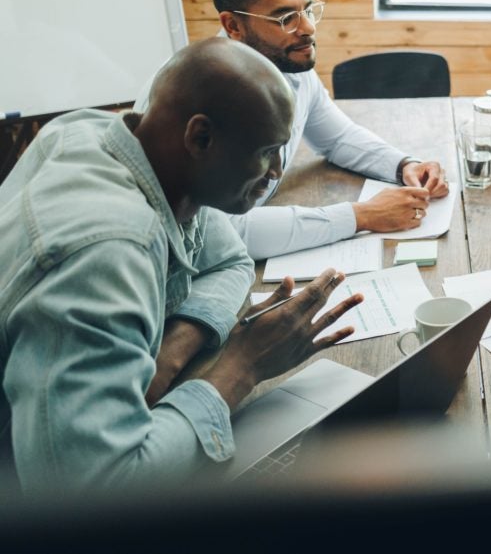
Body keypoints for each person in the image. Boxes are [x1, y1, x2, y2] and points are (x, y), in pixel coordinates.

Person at [0, 38, 363, 492]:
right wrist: (242, 365)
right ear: (200, 137)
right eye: (268, 151)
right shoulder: (106, 255)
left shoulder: (108, 138)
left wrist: (169, 355)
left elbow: (230, 260)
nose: (274, 173)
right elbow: (93, 494)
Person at [170, 0, 449, 261]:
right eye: (286, 18)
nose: (308, 28)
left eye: (307, 10)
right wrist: (362, 215)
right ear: (234, 26)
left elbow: (337, 137)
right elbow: (227, 233)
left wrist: (404, 165)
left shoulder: (286, 63)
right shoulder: (209, 98)